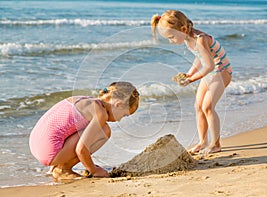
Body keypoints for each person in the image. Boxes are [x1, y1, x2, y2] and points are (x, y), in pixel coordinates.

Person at [151, 10, 232, 154]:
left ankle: (216, 144)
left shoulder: (201, 39)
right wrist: (190, 73)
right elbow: (199, 58)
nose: (171, 41)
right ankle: (202, 142)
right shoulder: (189, 39)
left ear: (182, 29)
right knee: (198, 107)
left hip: (222, 71)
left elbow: (209, 65)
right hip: (212, 72)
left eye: (172, 37)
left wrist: (191, 80)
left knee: (208, 107)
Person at [29, 82, 139, 180]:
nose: (119, 120)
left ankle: (58, 165)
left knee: (81, 130)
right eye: (124, 115)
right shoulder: (100, 114)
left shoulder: (85, 100)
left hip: (36, 144)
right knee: (104, 131)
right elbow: (81, 150)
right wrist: (94, 170)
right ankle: (63, 169)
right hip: (49, 153)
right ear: (118, 105)